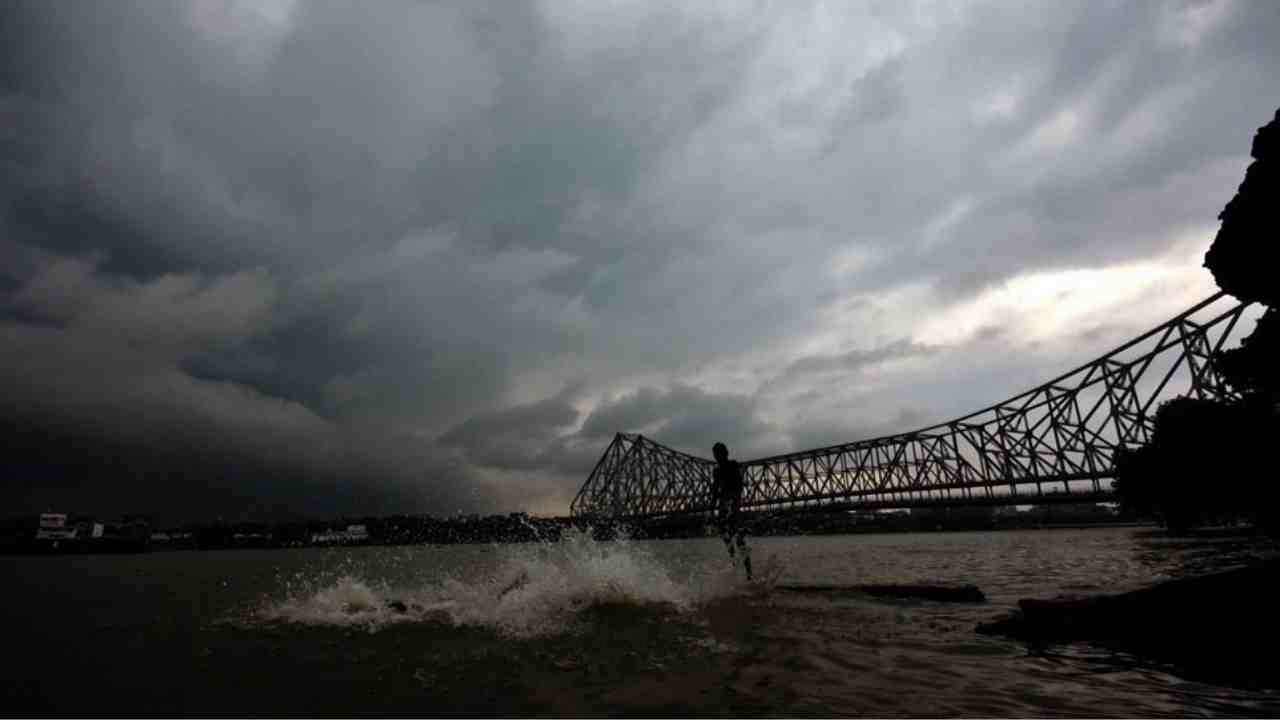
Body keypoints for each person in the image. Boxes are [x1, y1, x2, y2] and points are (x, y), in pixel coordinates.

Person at [711, 441, 752, 580]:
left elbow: (739, 486)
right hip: (724, 507)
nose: (717, 457)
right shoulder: (716, 471)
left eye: (719, 454)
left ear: (725, 453)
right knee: (726, 537)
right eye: (715, 455)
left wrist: (733, 500)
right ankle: (734, 564)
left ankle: (748, 574)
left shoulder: (733, 465)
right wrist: (712, 510)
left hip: (733, 506)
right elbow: (715, 491)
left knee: (740, 540)